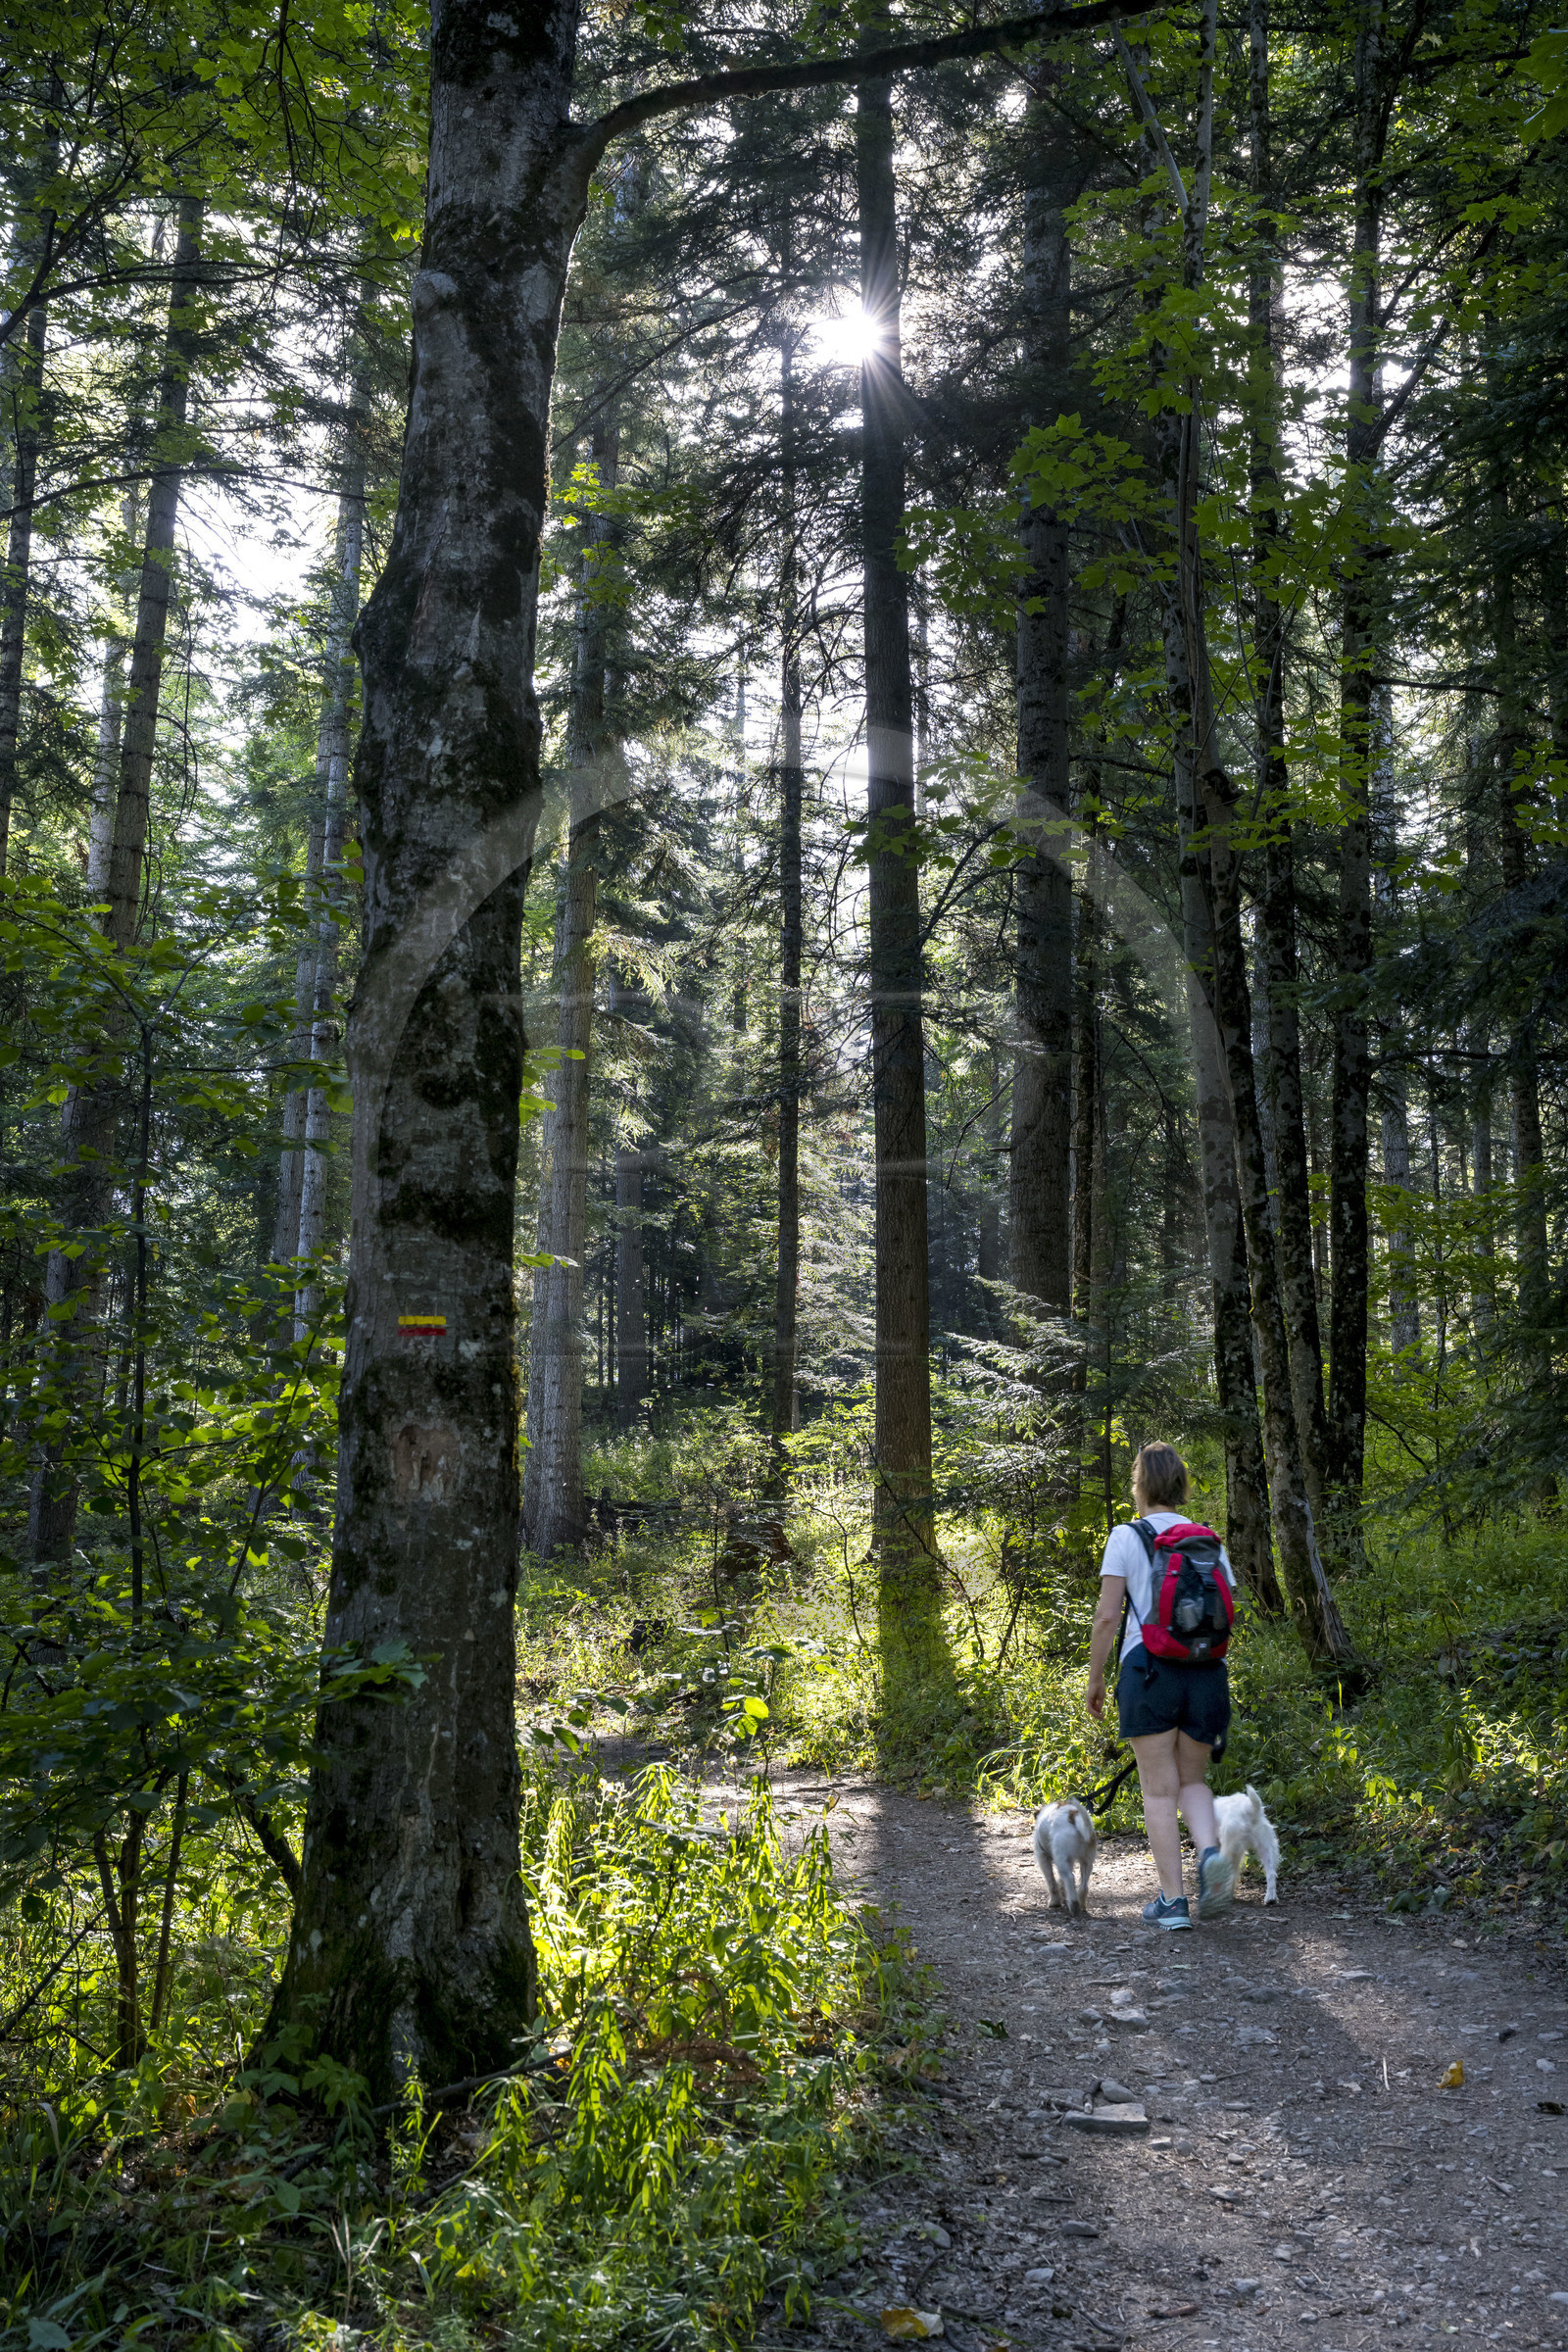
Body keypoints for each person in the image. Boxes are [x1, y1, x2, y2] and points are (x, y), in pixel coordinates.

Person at [1084, 1441, 1236, 1931]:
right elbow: (1226, 1606)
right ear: (1181, 1485)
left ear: (1140, 1484)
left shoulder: (1126, 1536)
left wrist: (1096, 1677)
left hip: (1148, 1672)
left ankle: (1174, 1902)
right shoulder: (1208, 1540)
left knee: (1158, 1790)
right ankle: (1211, 1855)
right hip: (1207, 1673)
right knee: (1193, 1780)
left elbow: (1108, 1616)